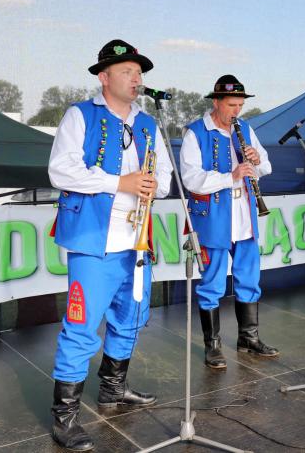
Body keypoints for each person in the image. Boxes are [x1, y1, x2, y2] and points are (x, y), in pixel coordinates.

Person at [48, 39, 173, 451]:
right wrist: (119, 182)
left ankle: (112, 389)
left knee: (131, 317)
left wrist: (154, 185)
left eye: (139, 72)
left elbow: (166, 179)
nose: (137, 79)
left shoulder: (148, 123)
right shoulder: (80, 114)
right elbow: (61, 170)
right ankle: (65, 418)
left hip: (137, 240)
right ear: (104, 77)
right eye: (127, 71)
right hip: (92, 239)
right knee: (81, 326)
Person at [180, 74, 278, 368]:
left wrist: (257, 161)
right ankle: (213, 345)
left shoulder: (245, 128)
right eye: (232, 105)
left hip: (244, 212)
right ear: (216, 102)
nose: (237, 111)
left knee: (249, 277)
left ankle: (248, 338)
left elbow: (266, 166)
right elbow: (191, 179)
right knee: (212, 282)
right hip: (213, 216)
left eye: (240, 105)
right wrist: (230, 176)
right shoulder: (196, 132)